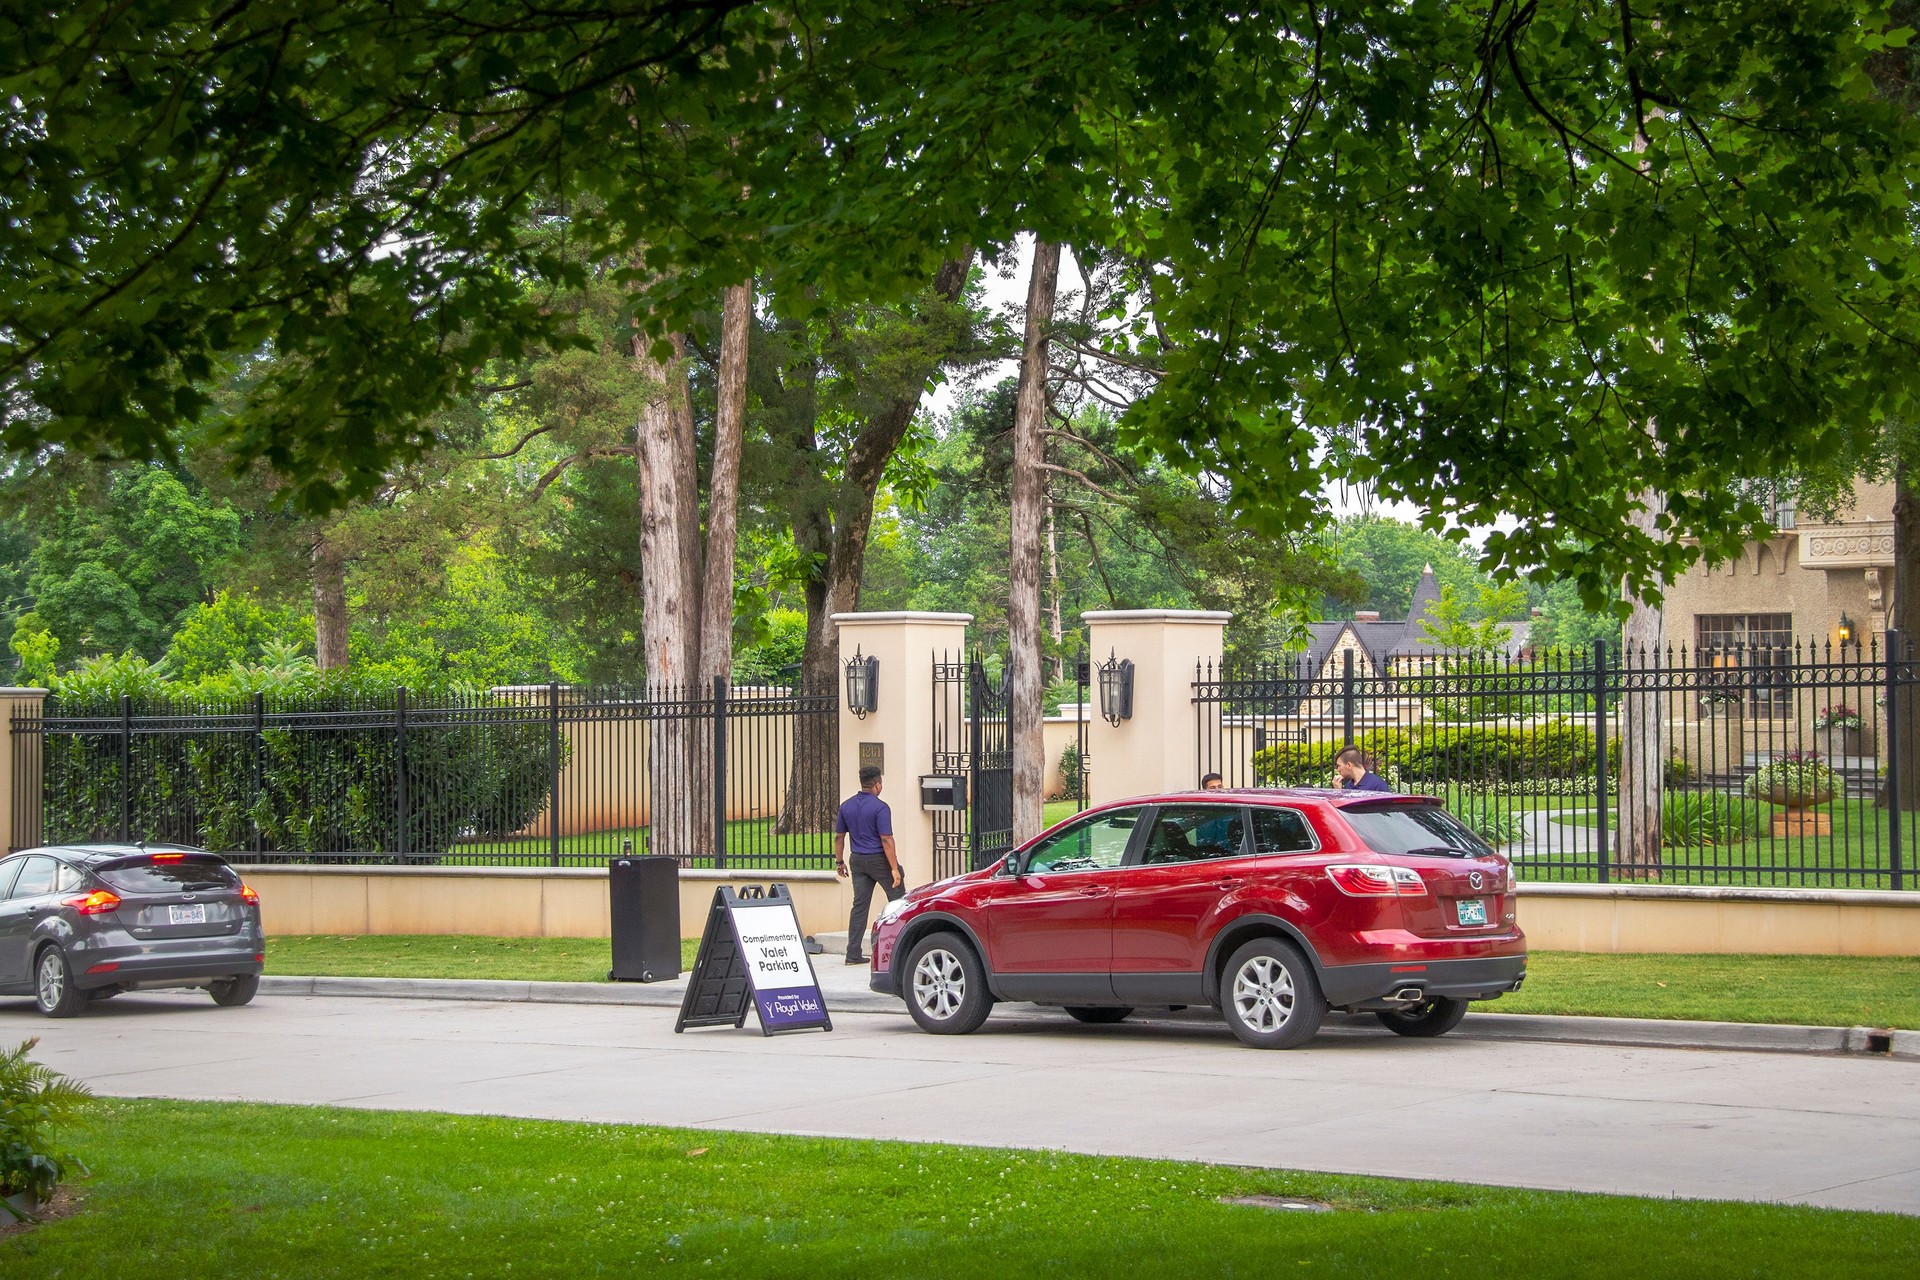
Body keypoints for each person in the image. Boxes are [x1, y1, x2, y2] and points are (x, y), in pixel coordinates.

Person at [835, 765, 902, 965]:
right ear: (877, 784)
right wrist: (894, 868)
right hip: (879, 860)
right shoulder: (881, 807)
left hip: (857, 860)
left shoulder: (846, 806)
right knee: (899, 903)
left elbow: (839, 837)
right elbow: (886, 839)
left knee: (859, 906)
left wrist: (839, 861)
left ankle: (852, 953)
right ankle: (900, 949)